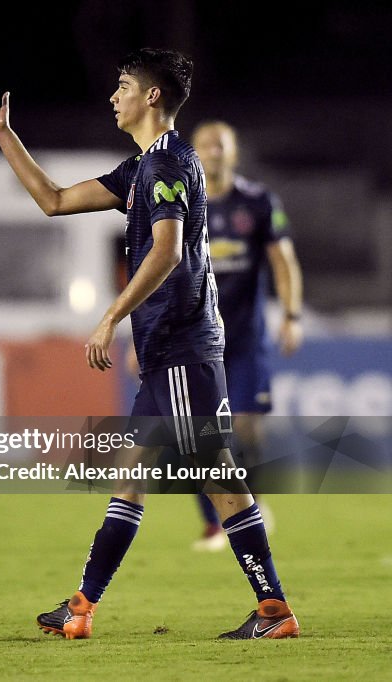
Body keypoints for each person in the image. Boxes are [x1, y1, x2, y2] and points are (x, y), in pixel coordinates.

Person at [0, 48, 298, 640]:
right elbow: (54, 200)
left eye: (123, 84)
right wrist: (3, 135)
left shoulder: (169, 163)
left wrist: (110, 317)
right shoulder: (144, 166)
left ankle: (274, 607)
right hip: (168, 354)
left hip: (180, 346)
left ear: (151, 96)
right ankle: (81, 607)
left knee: (218, 474)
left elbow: (169, 251)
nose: (113, 95)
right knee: (132, 476)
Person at [188, 120, 303, 551]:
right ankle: (218, 524)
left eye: (220, 145)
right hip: (197, 339)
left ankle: (250, 503)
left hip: (247, 340)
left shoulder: (256, 202)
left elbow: (284, 261)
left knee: (245, 431)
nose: (212, 152)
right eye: (204, 145)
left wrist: (291, 315)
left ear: (232, 153)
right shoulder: (181, 204)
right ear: (193, 153)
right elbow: (158, 270)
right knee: (202, 434)